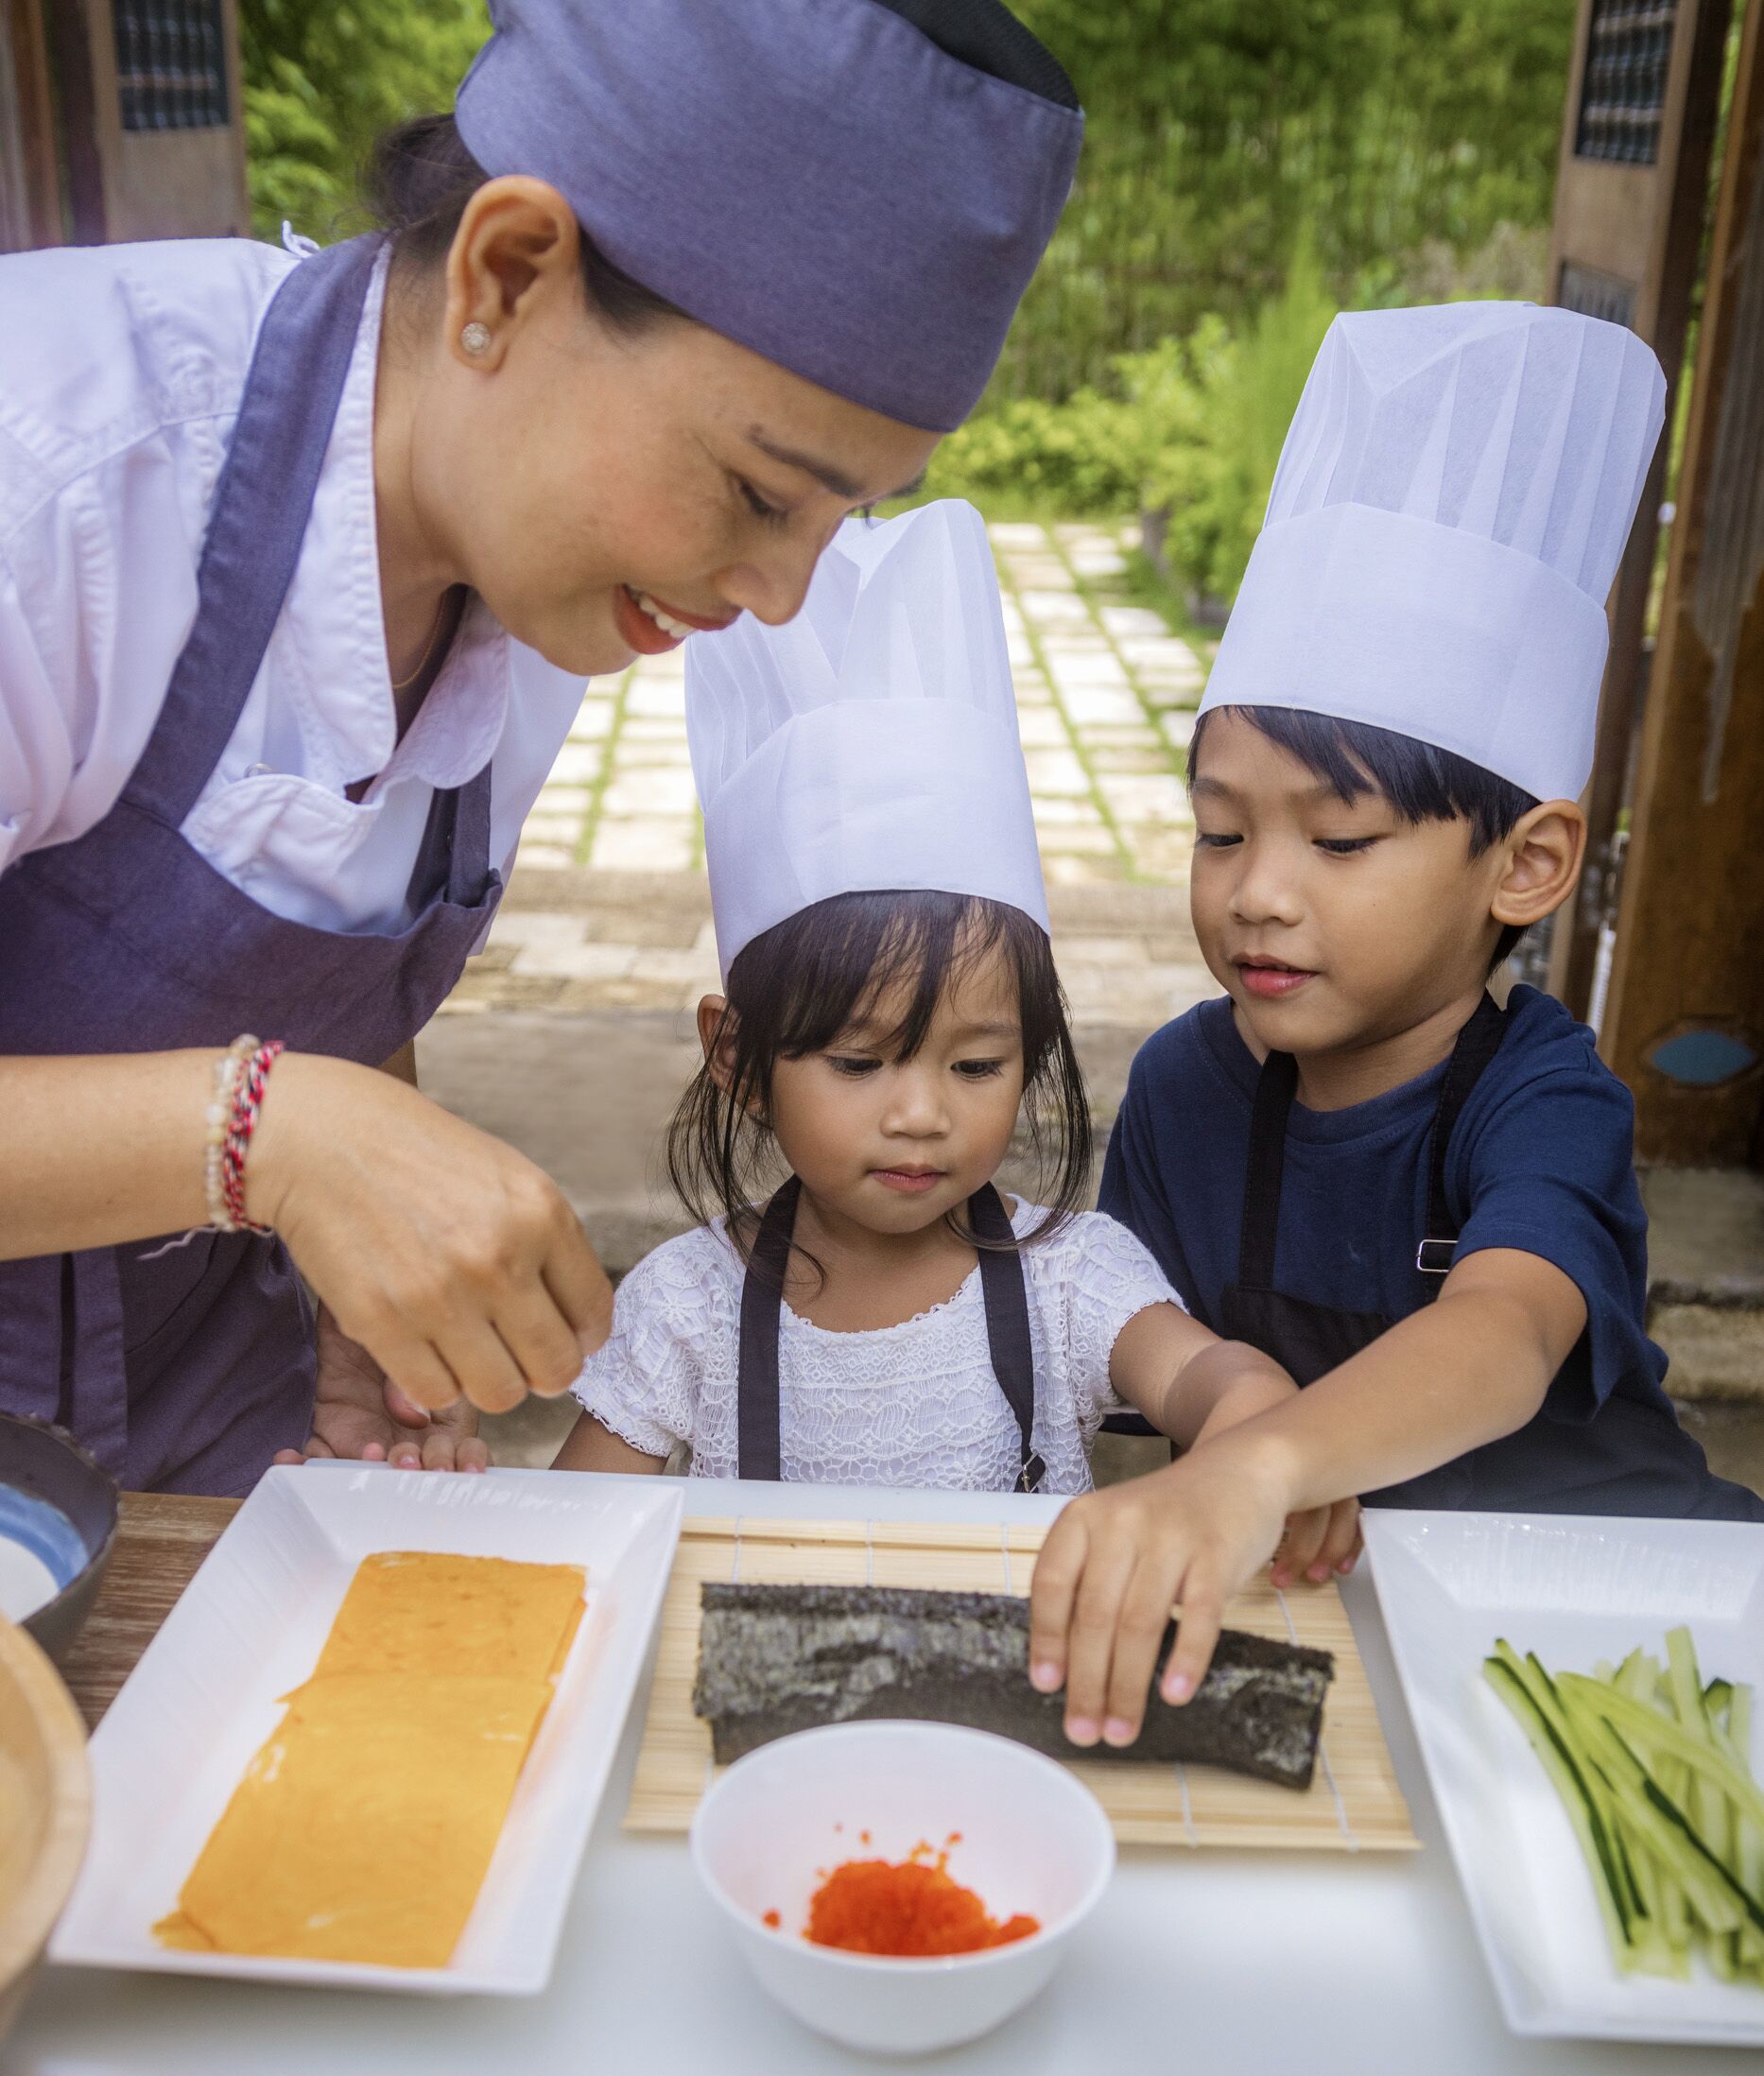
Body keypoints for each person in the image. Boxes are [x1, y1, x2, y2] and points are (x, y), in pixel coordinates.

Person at [0, 0, 1082, 1492]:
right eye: (763, 494)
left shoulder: (532, 583)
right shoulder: (51, 480)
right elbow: (282, 1108)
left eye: (839, 521)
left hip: (199, 1403)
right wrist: (271, 1141)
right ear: (506, 275)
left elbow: (336, 936)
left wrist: (367, 1273)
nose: (773, 597)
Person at [1026, 301, 1764, 1752]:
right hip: (1353, 1623)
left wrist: (1262, 1468)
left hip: (1627, 1609)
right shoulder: (1185, 1084)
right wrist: (1227, 1463)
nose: (1259, 897)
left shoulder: (1542, 1094)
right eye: (1219, 833)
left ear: (1525, 864)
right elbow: (1169, 1365)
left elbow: (1495, 1337)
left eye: (1340, 842)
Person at [555, 501, 1345, 1528]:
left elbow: (1197, 1375)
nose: (922, 1114)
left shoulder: (1072, 1277)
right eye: (859, 1062)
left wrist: (1251, 1406)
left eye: (976, 1067)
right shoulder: (683, 1312)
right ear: (740, 1060)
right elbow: (557, 1526)